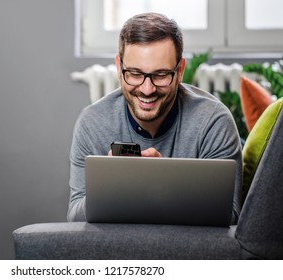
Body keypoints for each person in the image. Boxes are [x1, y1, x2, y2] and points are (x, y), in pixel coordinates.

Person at [67, 12, 242, 224]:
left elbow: (229, 218)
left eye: (160, 75)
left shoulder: (214, 122)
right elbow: (75, 218)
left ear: (180, 71)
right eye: (135, 73)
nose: (147, 89)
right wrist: (113, 187)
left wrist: (165, 183)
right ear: (118, 66)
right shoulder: (93, 122)